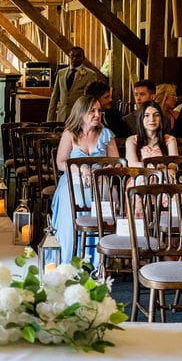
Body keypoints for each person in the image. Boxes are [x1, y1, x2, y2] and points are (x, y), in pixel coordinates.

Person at [50, 95, 120, 263]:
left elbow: (117, 163)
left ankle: (98, 260)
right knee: (70, 198)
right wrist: (79, 169)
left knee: (107, 194)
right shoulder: (70, 133)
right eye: (92, 111)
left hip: (100, 181)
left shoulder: (106, 134)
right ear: (81, 113)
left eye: (99, 111)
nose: (97, 115)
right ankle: (70, 257)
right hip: (74, 179)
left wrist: (103, 172)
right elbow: (60, 162)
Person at [47, 46, 101, 122]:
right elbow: (54, 97)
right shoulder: (61, 73)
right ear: (69, 57)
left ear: (83, 58)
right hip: (62, 116)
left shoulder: (90, 74)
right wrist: (50, 119)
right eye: (72, 56)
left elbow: (91, 98)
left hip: (80, 116)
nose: (75, 58)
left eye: (78, 56)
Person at [125, 102, 178, 168]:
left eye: (156, 115)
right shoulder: (132, 140)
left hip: (164, 176)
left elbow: (174, 164)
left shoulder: (170, 140)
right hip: (141, 175)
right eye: (147, 115)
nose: (152, 119)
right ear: (141, 119)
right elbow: (132, 164)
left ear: (161, 118)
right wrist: (157, 166)